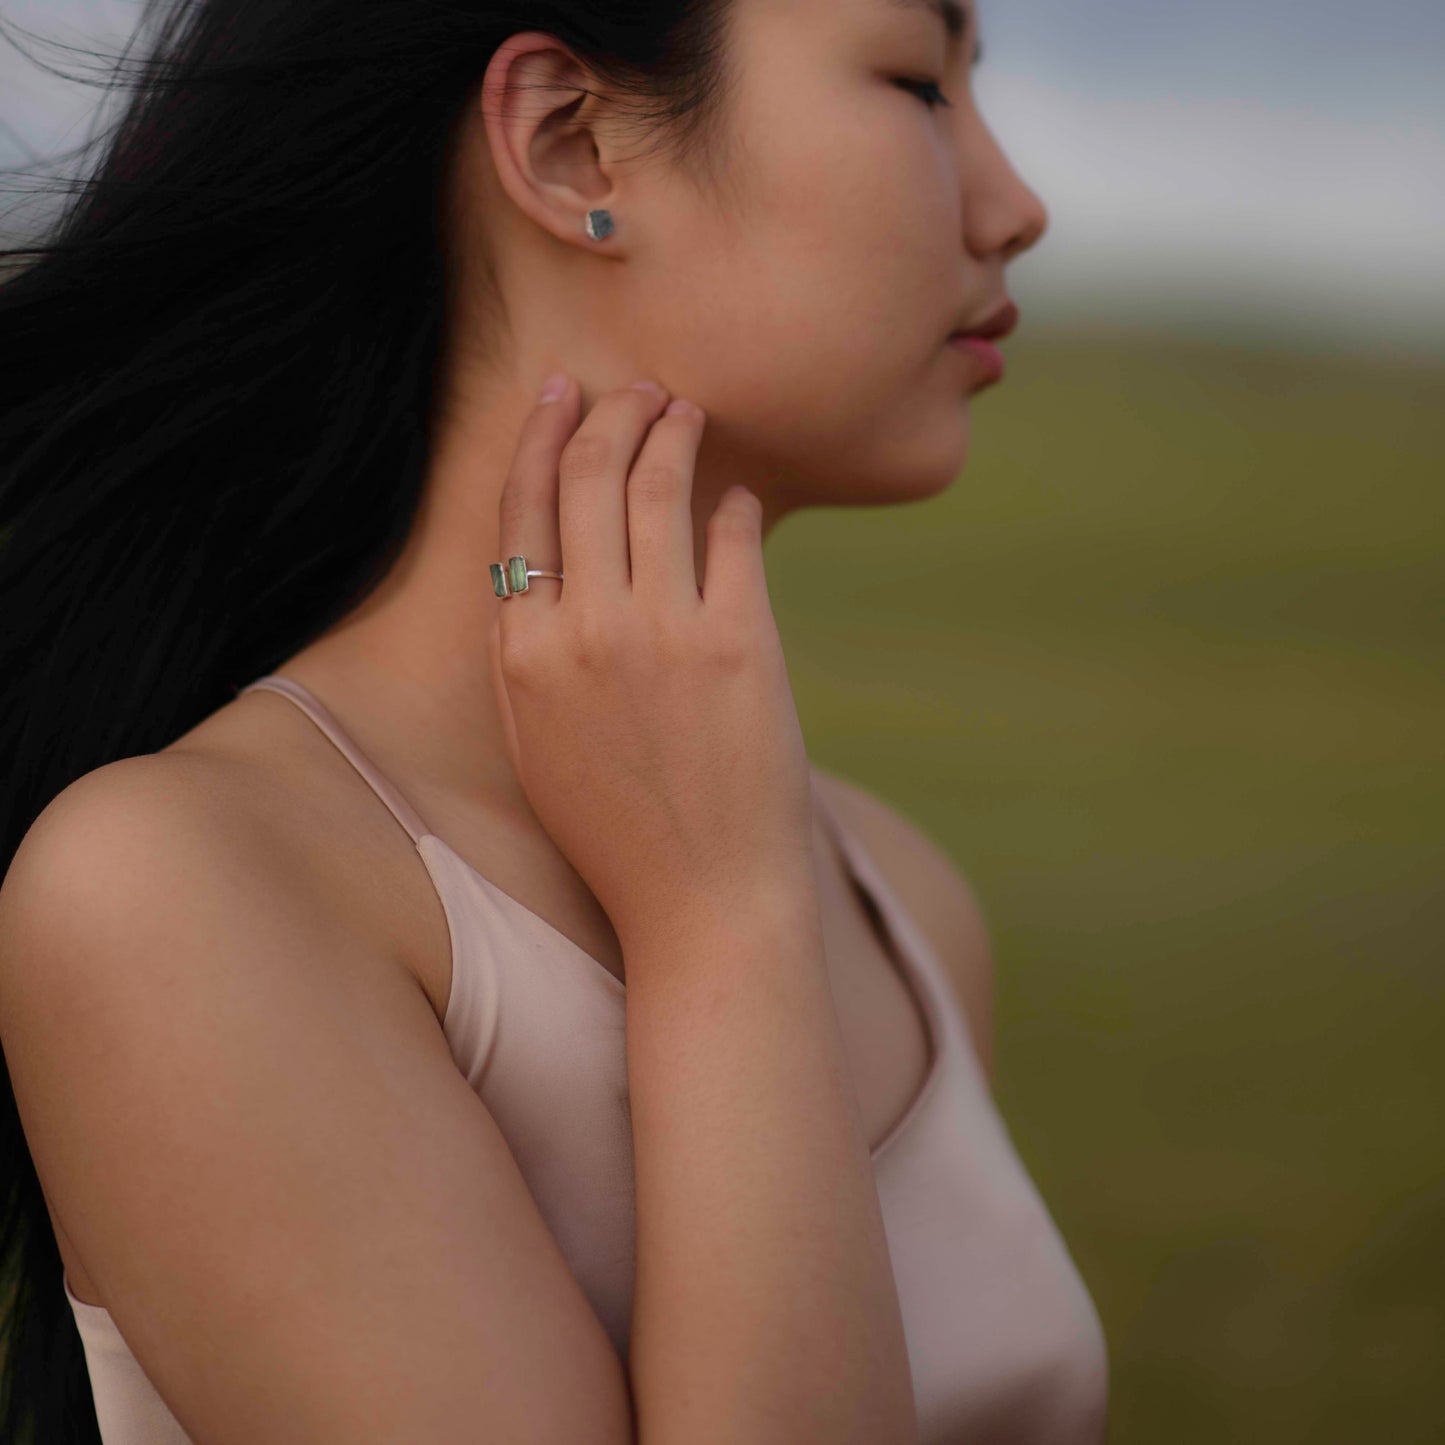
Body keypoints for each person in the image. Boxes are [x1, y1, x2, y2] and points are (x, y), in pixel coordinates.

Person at [0, 0, 1107, 1440]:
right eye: (913, 83)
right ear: (570, 145)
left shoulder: (898, 897)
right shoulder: (178, 892)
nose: (1014, 205)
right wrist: (716, 921)